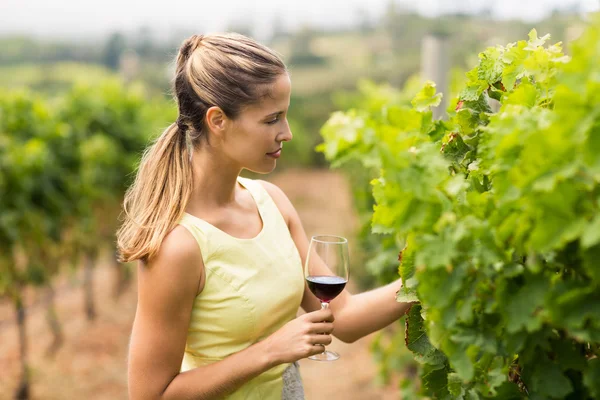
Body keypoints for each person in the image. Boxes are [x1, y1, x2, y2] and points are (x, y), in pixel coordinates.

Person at [116, 32, 411, 400]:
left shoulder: (272, 202)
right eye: (272, 119)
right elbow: (151, 395)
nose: (286, 133)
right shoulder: (178, 247)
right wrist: (271, 351)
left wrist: (422, 281)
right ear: (218, 120)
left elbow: (345, 316)